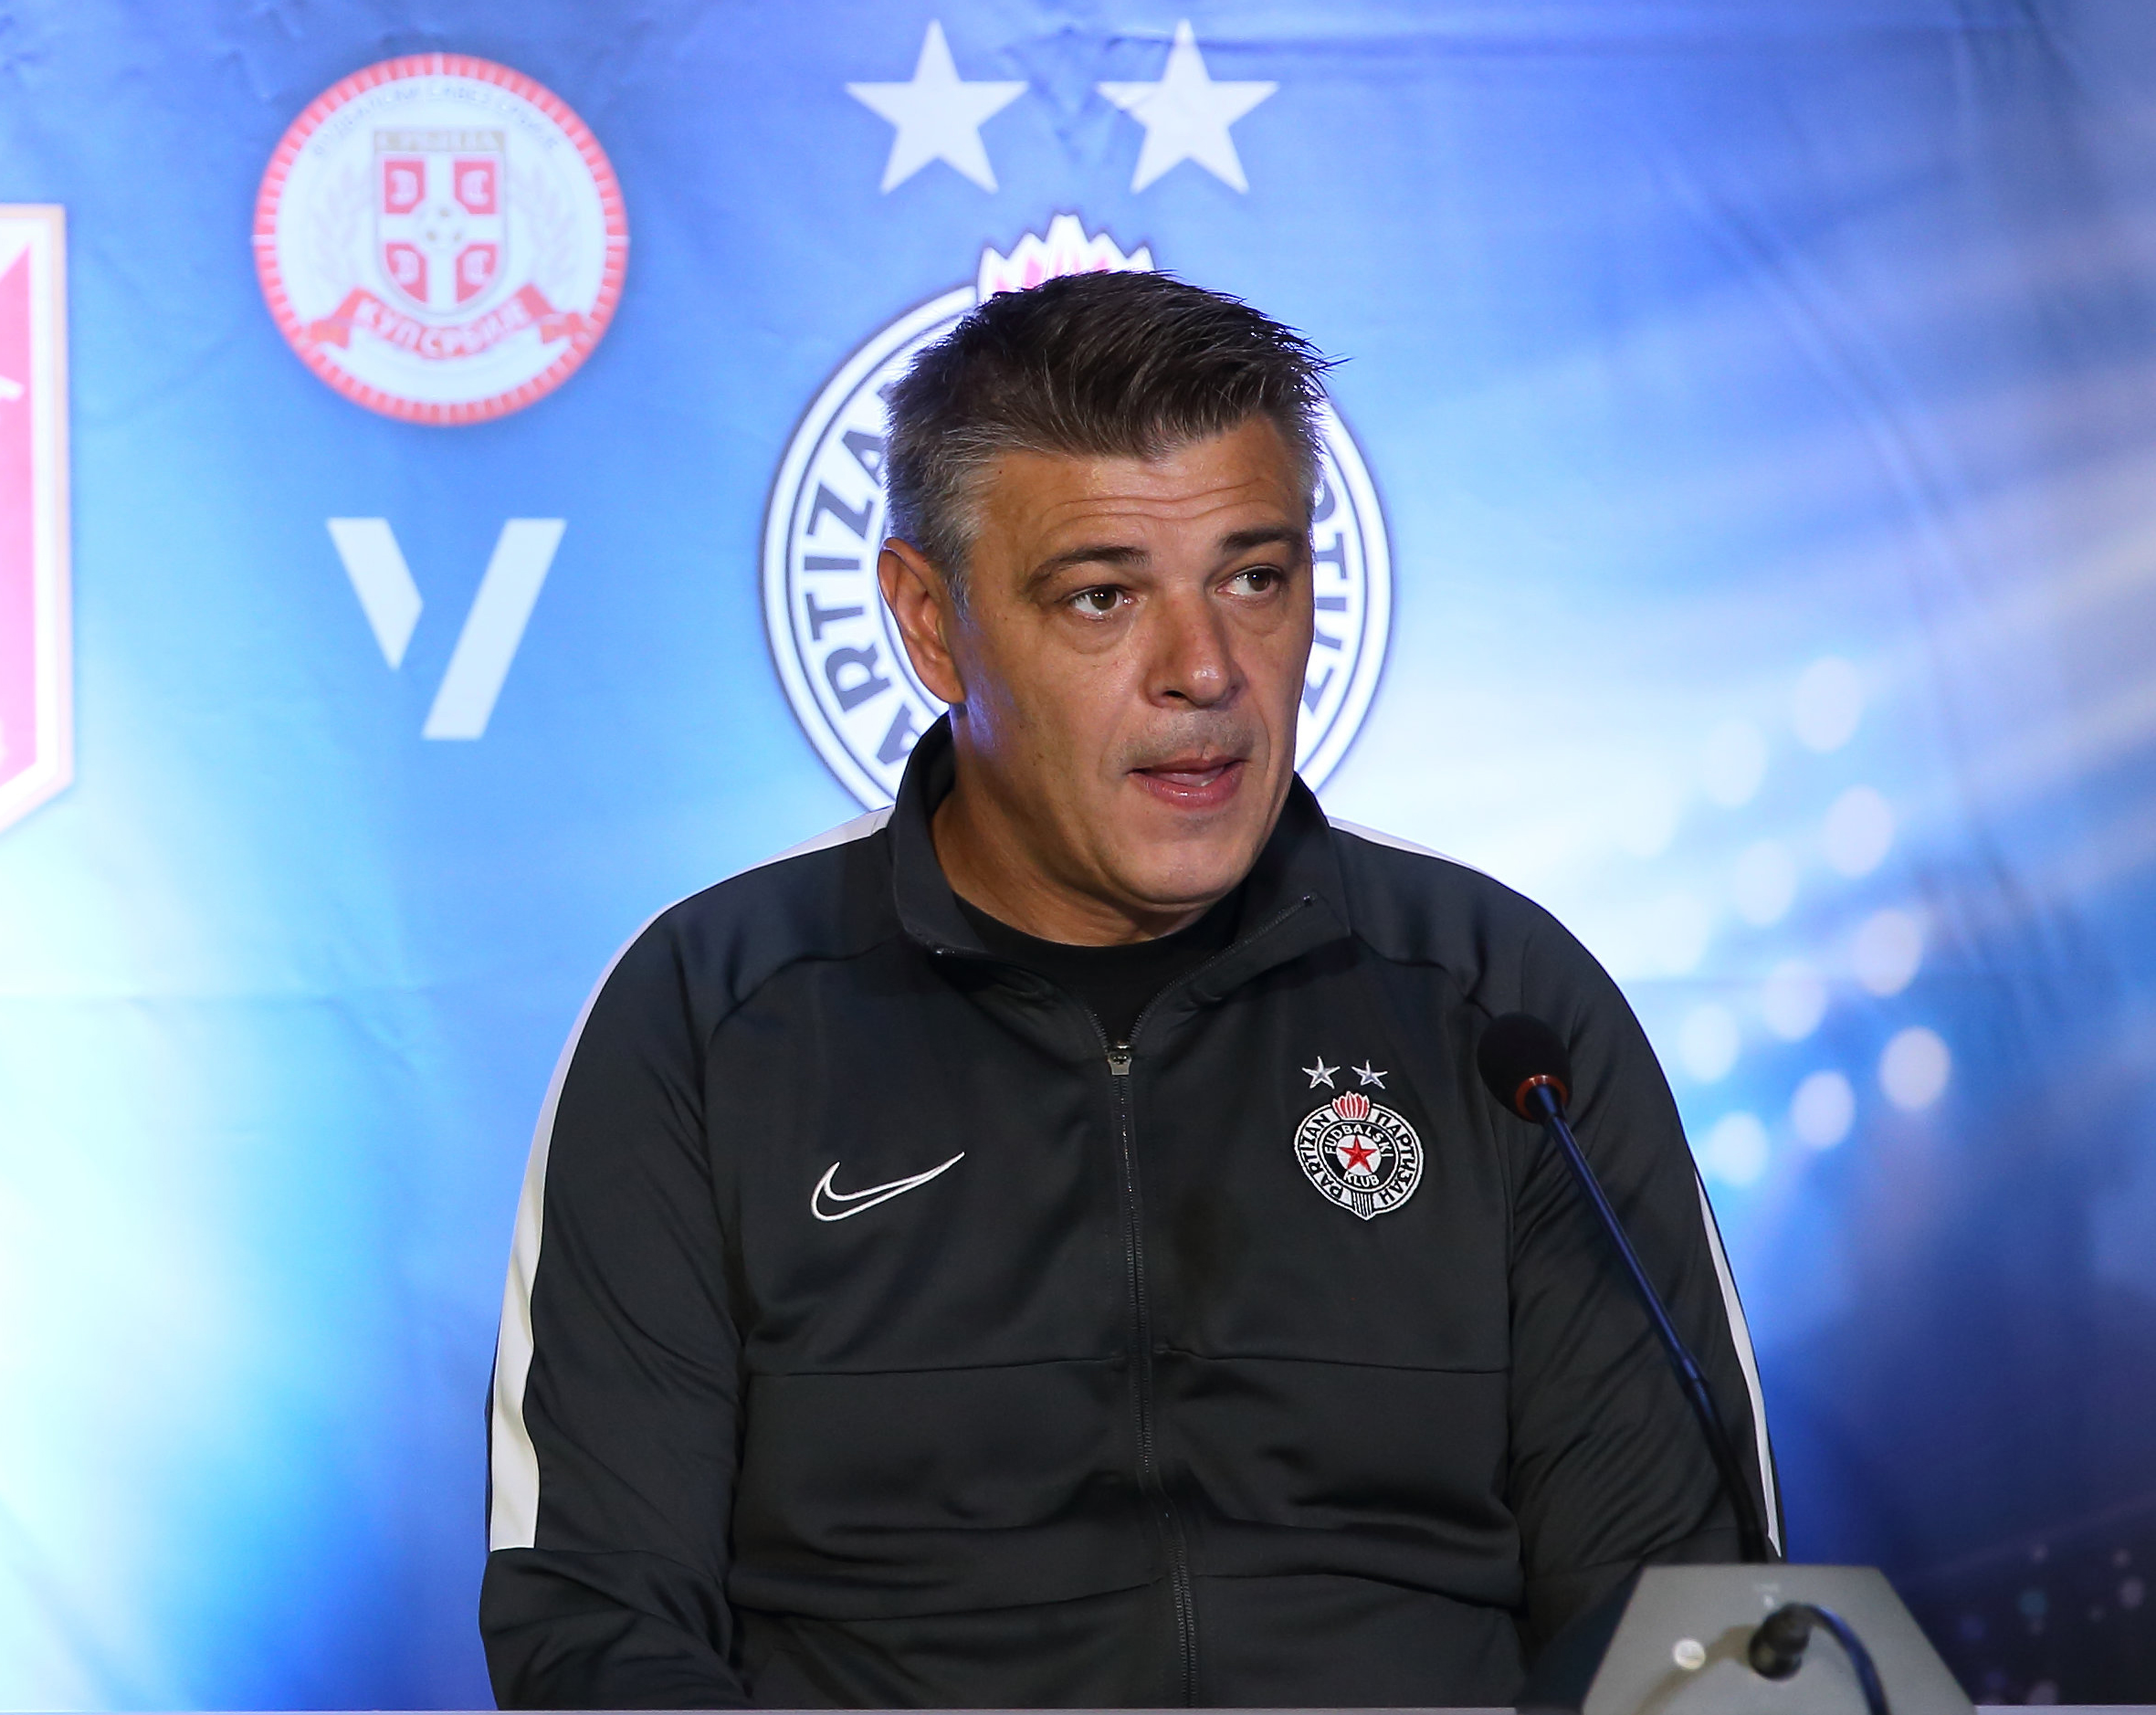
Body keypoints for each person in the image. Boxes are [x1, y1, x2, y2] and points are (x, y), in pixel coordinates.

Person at [480, 270, 1772, 1709]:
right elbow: (602, 1638)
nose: (1206, 669)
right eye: (1103, 596)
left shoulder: (1501, 1007)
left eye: (1254, 577)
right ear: (929, 621)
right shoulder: (711, 1019)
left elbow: (1692, 1625)